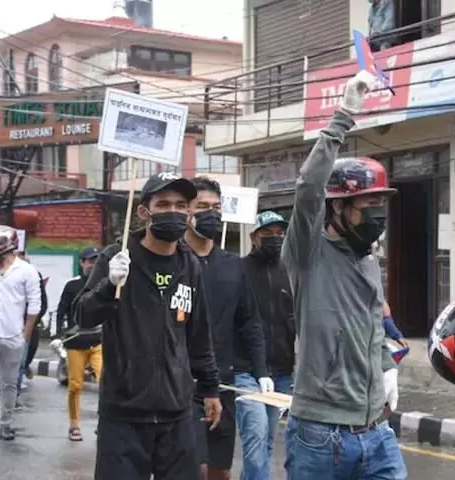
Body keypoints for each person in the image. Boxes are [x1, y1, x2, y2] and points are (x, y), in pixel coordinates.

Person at [281, 70, 406, 479]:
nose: (377, 215)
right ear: (337, 207)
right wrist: (343, 116)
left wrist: (386, 365)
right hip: (320, 434)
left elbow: (369, 324)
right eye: (366, 204)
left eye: (380, 204)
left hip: (376, 430)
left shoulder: (367, 258)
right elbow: (306, 188)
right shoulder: (308, 251)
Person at [73, 172, 222, 480]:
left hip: (177, 412)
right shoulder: (117, 257)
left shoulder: (189, 264)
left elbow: (198, 334)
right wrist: (107, 285)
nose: (174, 212)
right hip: (123, 413)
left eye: (181, 205)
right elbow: (83, 316)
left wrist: (210, 389)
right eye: (163, 204)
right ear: (144, 212)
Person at [183, 177, 269, 480]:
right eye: (202, 207)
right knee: (194, 468)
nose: (211, 214)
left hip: (223, 381)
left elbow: (250, 322)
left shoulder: (233, 265)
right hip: (181, 384)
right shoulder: (173, 261)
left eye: (216, 208)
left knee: (220, 469)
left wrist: (262, 372)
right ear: (187, 212)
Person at [235, 210, 296, 480]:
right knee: (256, 439)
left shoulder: (289, 271)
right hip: (245, 369)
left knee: (267, 440)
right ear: (254, 237)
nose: (275, 239)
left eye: (279, 234)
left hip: (281, 370)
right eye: (267, 234)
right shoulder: (238, 269)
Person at [0, 225, 42, 443]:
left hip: (14, 337)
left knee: (9, 383)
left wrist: (25, 335)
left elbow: (34, 305)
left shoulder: (26, 271)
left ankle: (5, 423)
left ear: (4, 245)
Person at [56, 246, 103, 442]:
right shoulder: (72, 286)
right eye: (89, 261)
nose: (92, 265)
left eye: (96, 260)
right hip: (75, 343)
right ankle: (74, 424)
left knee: (105, 382)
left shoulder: (105, 284)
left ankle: (104, 423)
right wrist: (57, 336)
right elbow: (61, 311)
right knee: (75, 385)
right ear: (82, 263)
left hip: (98, 342)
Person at [15, 250, 48, 394]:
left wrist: (33, 321)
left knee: (23, 358)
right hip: (9, 324)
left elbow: (41, 302)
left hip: (28, 324)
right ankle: (7, 392)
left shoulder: (35, 276)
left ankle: (15, 387)